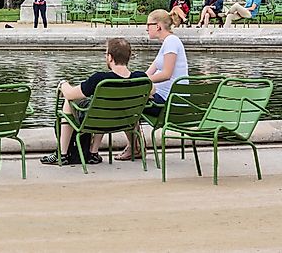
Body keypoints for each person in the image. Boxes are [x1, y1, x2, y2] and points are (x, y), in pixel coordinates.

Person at [40, 37, 152, 166]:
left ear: (110, 57)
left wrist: (63, 84)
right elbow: (152, 91)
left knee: (69, 101)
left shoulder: (100, 79)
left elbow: (71, 94)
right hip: (124, 122)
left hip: (99, 121)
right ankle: (93, 153)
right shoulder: (141, 78)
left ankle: (62, 153)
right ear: (129, 57)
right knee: (105, 105)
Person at [114, 9, 189, 160]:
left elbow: (166, 74)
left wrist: (140, 82)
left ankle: (135, 147)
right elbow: (148, 74)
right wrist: (132, 82)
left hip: (169, 103)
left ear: (159, 26)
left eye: (149, 24)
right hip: (165, 99)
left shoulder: (171, 42)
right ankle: (135, 146)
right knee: (127, 98)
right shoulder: (166, 44)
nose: (146, 28)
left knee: (126, 104)